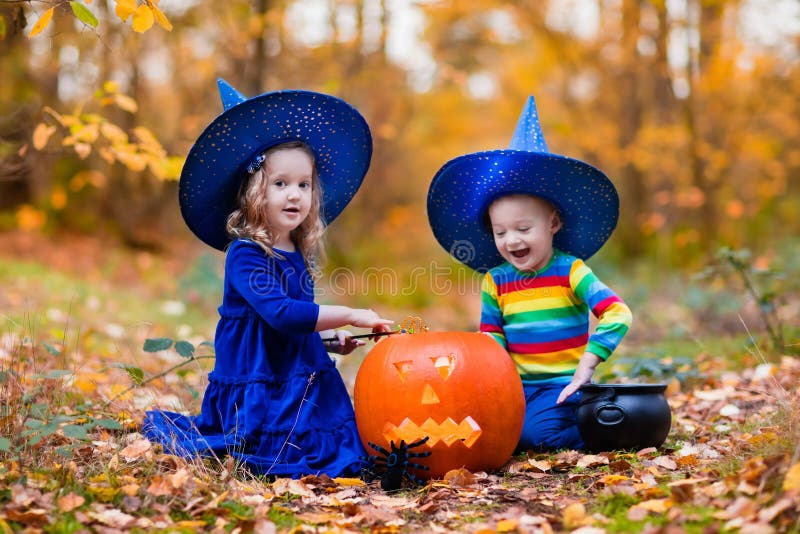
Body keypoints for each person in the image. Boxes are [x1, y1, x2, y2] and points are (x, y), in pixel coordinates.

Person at [143, 79, 393, 477]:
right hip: (257, 380)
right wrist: (350, 313)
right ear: (254, 193)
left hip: (293, 375)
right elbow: (282, 314)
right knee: (276, 450)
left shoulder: (298, 250)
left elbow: (295, 327)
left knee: (337, 449)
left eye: (303, 184)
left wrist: (328, 340)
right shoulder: (245, 254)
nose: (294, 195)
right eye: (280, 184)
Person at [426, 96, 632, 451]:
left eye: (523, 228)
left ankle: (601, 423)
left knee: (537, 437)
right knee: (486, 435)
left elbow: (617, 312)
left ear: (553, 223)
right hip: (516, 386)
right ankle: (562, 418)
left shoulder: (571, 271)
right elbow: (493, 340)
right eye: (500, 231)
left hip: (563, 384)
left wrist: (588, 363)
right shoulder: (496, 281)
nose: (512, 240)